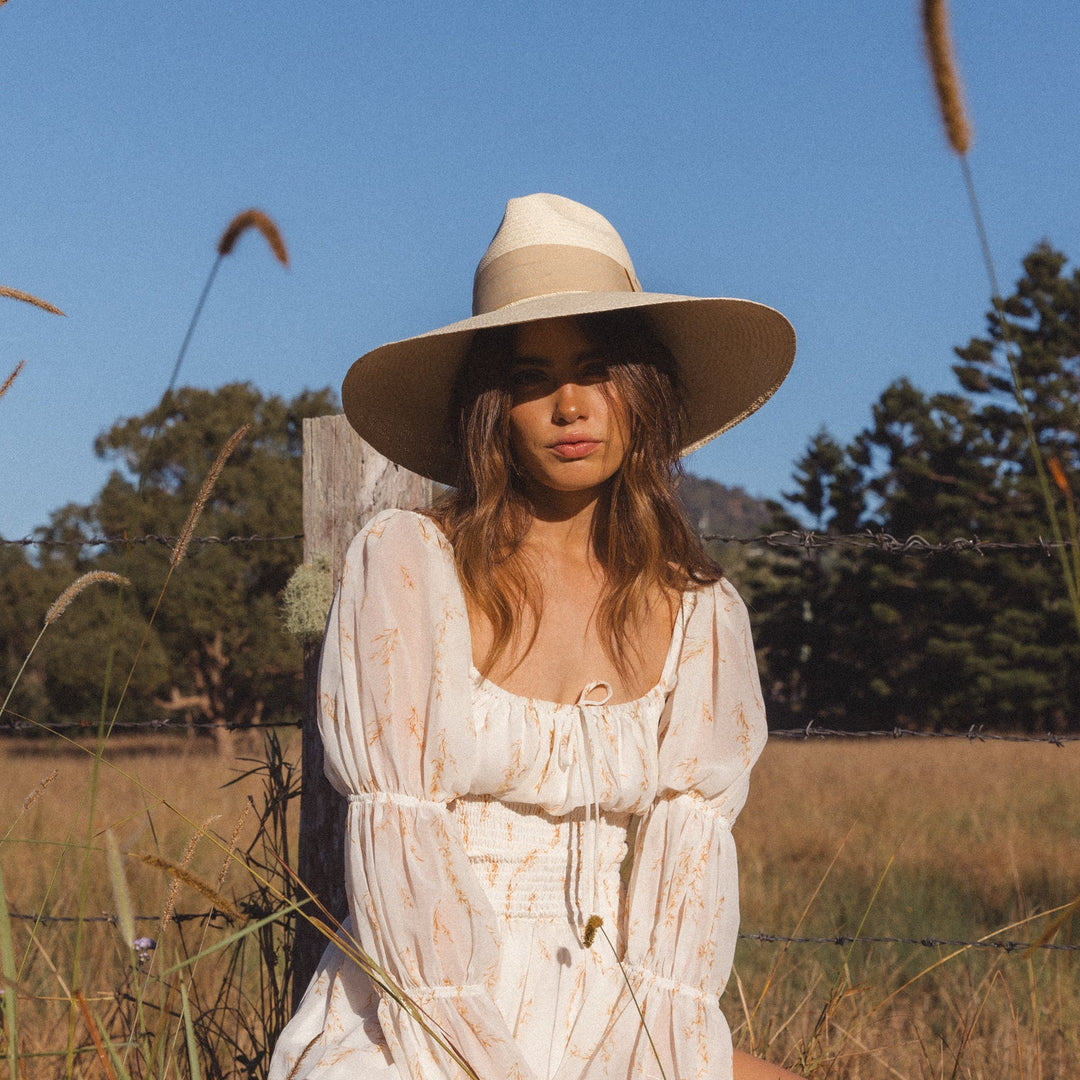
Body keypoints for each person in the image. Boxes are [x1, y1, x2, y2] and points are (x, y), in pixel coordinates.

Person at [270, 193, 804, 1080]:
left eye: (597, 370)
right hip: (418, 1015)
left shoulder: (702, 614)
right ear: (493, 406)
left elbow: (682, 917)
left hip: (616, 1015)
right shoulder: (410, 566)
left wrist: (649, 1060)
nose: (569, 406)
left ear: (642, 391)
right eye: (530, 377)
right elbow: (400, 858)